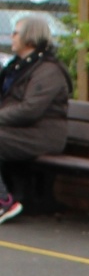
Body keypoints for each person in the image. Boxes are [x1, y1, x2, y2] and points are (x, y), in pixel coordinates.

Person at [0, 13, 71, 225]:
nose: (11, 37)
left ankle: (4, 202)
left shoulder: (48, 70)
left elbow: (30, 110)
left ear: (30, 38)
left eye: (16, 33)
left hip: (42, 134)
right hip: (19, 130)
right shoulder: (17, 67)